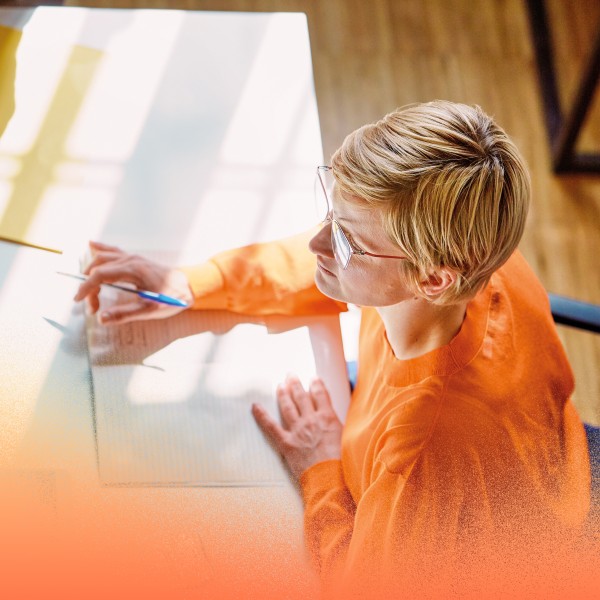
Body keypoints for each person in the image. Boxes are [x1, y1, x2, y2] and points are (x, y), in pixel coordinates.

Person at [74, 101, 592, 597]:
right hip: (553, 472)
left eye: (345, 241)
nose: (317, 245)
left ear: (433, 278)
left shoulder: (419, 456)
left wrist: (319, 467)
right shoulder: (473, 247)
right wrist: (193, 283)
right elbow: (342, 262)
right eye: (333, 216)